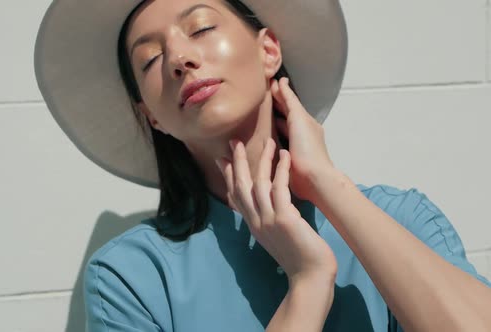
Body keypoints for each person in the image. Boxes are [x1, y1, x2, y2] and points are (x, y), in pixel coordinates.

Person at [34, 0, 491, 331]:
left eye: (200, 28)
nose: (178, 59)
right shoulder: (130, 278)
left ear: (269, 51)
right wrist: (308, 284)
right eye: (150, 58)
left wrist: (328, 185)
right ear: (150, 115)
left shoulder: (402, 218)